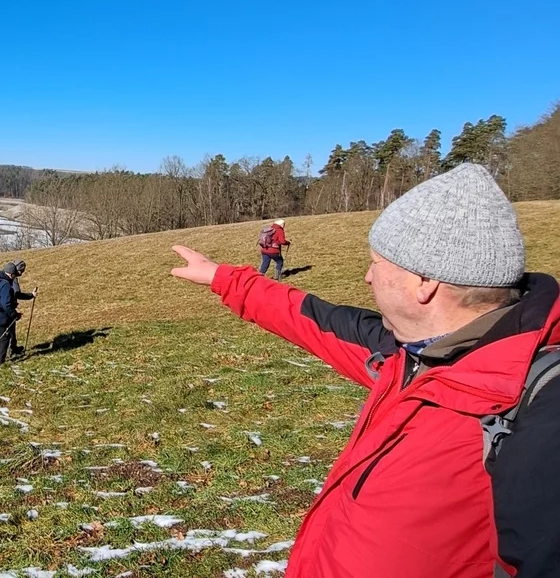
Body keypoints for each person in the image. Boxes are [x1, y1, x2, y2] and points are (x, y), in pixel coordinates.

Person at [170, 163, 560, 578]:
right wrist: (224, 279)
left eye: (378, 264)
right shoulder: (404, 354)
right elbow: (314, 319)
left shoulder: (537, 410)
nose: (367, 276)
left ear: (424, 282)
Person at [8, 260, 37, 355]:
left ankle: (12, 348)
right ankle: (8, 351)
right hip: (8, 307)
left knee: (8, 329)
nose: (21, 273)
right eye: (21, 270)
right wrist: (31, 295)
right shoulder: (13, 278)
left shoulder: (3, 275)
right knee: (8, 329)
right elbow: (17, 294)